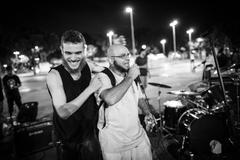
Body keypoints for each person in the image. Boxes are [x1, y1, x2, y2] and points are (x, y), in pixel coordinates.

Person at [46, 30, 103, 160]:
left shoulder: (87, 66)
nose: (73, 58)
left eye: (78, 52)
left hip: (90, 135)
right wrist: (90, 89)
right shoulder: (54, 75)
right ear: (61, 50)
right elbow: (63, 112)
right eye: (68, 53)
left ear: (84, 50)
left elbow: (107, 70)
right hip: (67, 141)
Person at [96, 44, 155, 160]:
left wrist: (147, 112)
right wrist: (130, 78)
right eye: (122, 56)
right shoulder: (102, 77)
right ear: (111, 60)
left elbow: (139, 97)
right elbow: (110, 98)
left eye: (128, 54)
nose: (127, 58)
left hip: (139, 138)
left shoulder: (131, 76)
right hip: (114, 145)